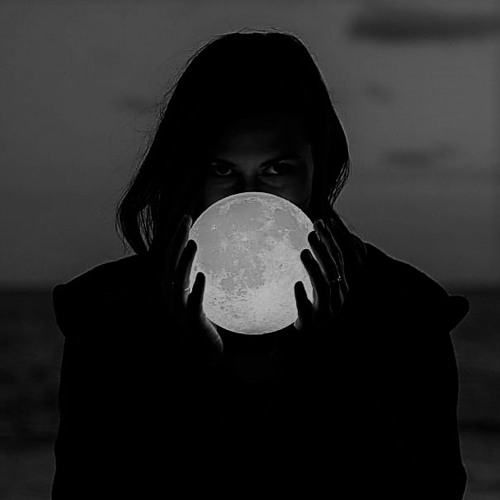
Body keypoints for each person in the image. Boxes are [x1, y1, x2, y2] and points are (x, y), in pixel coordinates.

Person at [51, 30, 469, 499]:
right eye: (222, 169)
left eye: (276, 169)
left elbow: (429, 488)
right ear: (187, 171)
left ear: (319, 167)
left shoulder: (403, 311)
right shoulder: (108, 315)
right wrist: (186, 368)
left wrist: (326, 368)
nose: (248, 198)